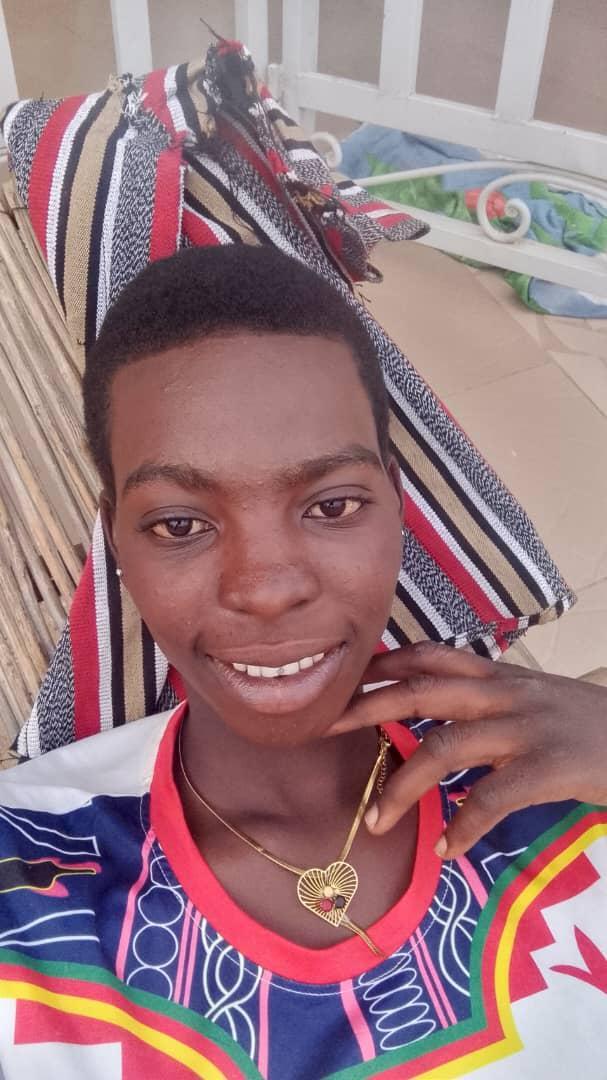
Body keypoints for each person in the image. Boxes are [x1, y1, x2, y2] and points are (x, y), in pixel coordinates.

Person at [0, 243, 605, 1079]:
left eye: (331, 504)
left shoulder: (571, 775)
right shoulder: (26, 875)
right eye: (180, 524)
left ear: (395, 500)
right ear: (116, 539)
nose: (265, 589)